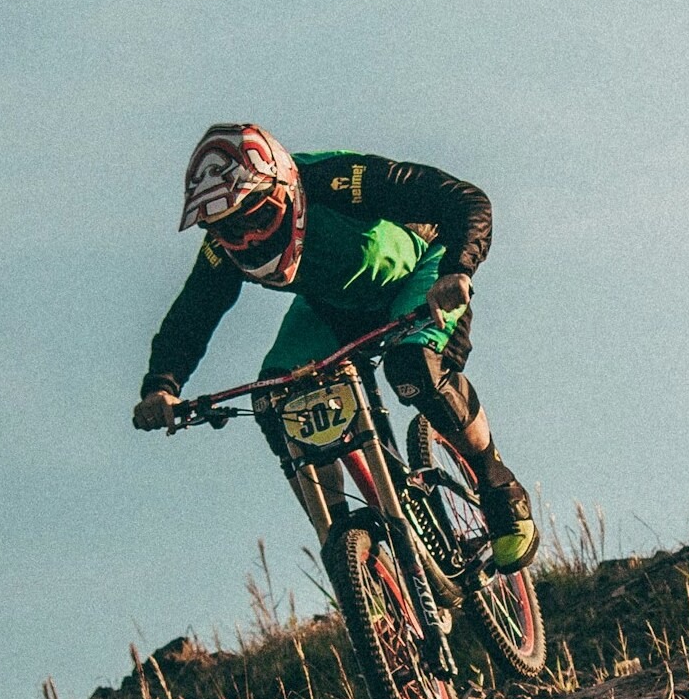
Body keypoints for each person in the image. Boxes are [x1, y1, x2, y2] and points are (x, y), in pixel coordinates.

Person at [132, 123, 539, 572]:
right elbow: (192, 314)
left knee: (412, 369)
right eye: (229, 230)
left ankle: (500, 487)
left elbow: (467, 200)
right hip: (334, 308)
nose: (248, 239)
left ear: (285, 190)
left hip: (421, 274)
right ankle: (350, 557)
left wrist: (458, 269)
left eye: (259, 218)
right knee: (275, 400)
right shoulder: (222, 251)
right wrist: (161, 386)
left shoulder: (335, 180)